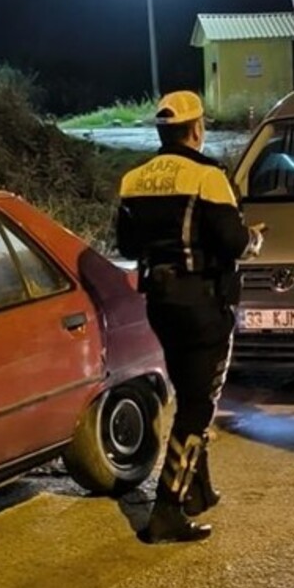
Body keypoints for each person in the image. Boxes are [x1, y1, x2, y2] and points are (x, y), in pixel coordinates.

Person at [116, 91, 261, 544]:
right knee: (199, 406)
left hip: (160, 304)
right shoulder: (208, 176)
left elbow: (124, 246)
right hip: (204, 304)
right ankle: (168, 509)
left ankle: (198, 489)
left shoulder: (133, 179)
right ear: (196, 128)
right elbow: (233, 243)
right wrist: (254, 240)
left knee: (188, 390)